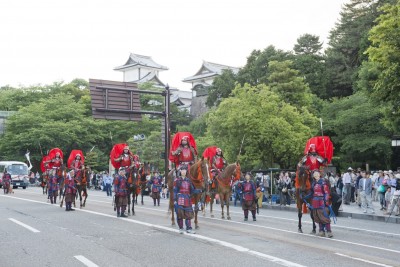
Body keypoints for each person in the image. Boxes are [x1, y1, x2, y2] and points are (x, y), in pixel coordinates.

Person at [173, 165, 195, 234]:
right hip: (179, 198)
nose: (183, 172)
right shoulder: (177, 180)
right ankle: (181, 228)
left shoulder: (189, 181)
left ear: (186, 171)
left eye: (185, 170)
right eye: (182, 170)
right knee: (180, 214)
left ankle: (189, 228)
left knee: (188, 214)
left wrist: (199, 191)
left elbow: (192, 190)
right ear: (180, 171)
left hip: (187, 198)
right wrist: (174, 199)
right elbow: (175, 190)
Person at [311, 170, 333, 238]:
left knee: (324, 216)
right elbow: (312, 193)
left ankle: (329, 231)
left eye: (317, 174)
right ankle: (321, 231)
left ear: (319, 175)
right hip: (315, 202)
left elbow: (326, 193)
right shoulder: (314, 183)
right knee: (317, 216)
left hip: (321, 201)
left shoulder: (323, 183)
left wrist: (326, 201)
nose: (316, 175)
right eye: (314, 174)